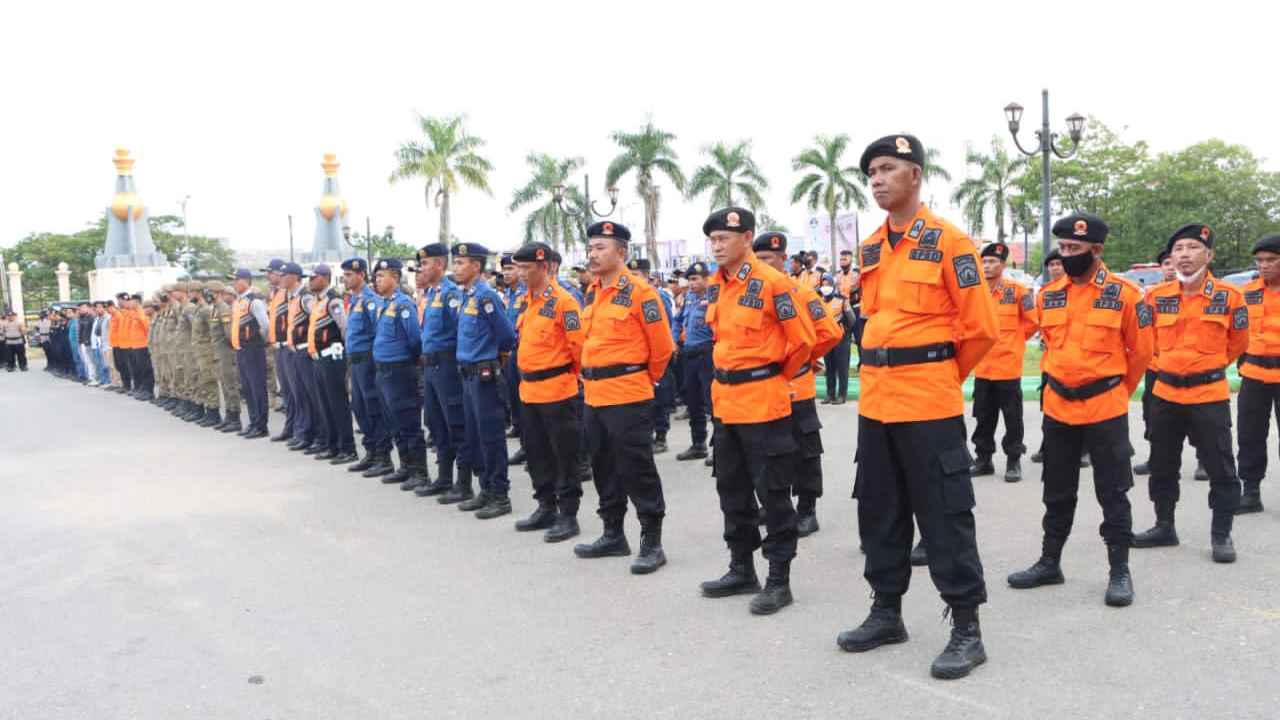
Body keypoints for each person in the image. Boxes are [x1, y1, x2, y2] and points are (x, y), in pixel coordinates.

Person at [836, 134, 997, 680]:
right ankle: (887, 612)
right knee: (879, 510)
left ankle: (967, 629)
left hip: (928, 400)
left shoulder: (951, 243)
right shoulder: (872, 247)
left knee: (945, 513)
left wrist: (937, 375)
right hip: (877, 402)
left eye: (887, 168)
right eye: (871, 173)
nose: (877, 179)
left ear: (915, 175)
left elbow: (980, 330)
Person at [1006, 213, 1151, 608]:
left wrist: (1116, 390)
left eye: (1075, 249)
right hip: (1058, 408)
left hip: (1105, 407)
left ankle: (1119, 570)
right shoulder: (1049, 294)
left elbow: (1141, 353)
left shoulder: (1125, 295)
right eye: (1064, 248)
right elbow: (1050, 347)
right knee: (1056, 491)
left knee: (1114, 492)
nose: (1066, 254)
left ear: (1097, 250)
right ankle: (1049, 562)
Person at [694, 213, 818, 615]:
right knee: (731, 489)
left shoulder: (772, 283)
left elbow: (803, 340)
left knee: (774, 494)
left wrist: (773, 375)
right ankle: (741, 567)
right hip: (726, 404)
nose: (716, 245)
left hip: (764, 403)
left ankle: (778, 579)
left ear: (747, 238)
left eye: (723, 238)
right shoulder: (718, 285)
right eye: (712, 238)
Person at [1134, 224, 1246, 564]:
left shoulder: (1230, 297)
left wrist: (1204, 367)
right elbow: (1145, 340)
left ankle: (1221, 534)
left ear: (1208, 255)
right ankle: (1164, 525)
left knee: (1221, 468)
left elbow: (1238, 343)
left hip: (1208, 395)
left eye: (1192, 248)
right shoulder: (1155, 297)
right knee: (1163, 465)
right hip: (1165, 394)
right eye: (1178, 249)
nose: (1183, 255)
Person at [574, 220, 674, 574]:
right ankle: (613, 532)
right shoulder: (593, 292)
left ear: (622, 252)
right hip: (595, 395)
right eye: (591, 248)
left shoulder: (640, 293)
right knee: (603, 465)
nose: (593, 254)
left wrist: (642, 380)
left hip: (628, 393)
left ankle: (652, 539)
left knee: (637, 467)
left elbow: (662, 348)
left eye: (601, 247)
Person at [752, 232, 842, 539]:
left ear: (784, 261)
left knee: (804, 450)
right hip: (762, 388)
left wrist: (803, 360)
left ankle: (807, 510)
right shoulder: (750, 296)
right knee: (767, 451)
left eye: (769, 259)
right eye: (758, 259)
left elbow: (829, 332)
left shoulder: (802, 294)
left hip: (796, 385)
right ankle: (773, 505)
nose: (763, 265)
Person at [511, 241, 586, 541]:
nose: (520, 274)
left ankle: (568, 514)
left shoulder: (564, 302)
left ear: (544, 267)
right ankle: (545, 506)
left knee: (564, 455)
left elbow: (578, 346)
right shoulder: (527, 300)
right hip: (529, 391)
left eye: (526, 269)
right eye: (518, 268)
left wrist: (573, 381)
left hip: (558, 390)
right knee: (537, 452)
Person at [451, 242, 517, 517]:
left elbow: (506, 337)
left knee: (491, 437)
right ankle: (486, 489)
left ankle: (500, 496)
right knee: (475, 435)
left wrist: (493, 361)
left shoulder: (486, 296)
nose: (455, 267)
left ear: (476, 267)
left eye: (461, 263)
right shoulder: (467, 295)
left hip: (484, 375)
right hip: (468, 374)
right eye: (455, 262)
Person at [969, 242, 1038, 482]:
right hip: (983, 367)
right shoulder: (975, 292)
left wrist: (1014, 343)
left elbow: (1032, 322)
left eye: (992, 262)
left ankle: (1013, 461)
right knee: (983, 418)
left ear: (1003, 264)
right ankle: (984, 459)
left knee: (1012, 418)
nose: (987, 266)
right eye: (984, 261)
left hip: (1008, 367)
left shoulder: (1019, 291)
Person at [412, 246, 469, 498]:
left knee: (455, 423)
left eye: (425, 263)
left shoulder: (450, 294)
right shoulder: (432, 294)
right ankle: (444, 477)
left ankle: (464, 483)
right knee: (436, 424)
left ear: (438, 264)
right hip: (431, 367)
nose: (421, 268)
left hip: (447, 366)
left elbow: (461, 331)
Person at [370, 258, 430, 487]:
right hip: (383, 371)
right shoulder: (385, 303)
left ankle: (419, 472)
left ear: (395, 278)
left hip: (399, 371)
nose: (377, 280)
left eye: (381, 276)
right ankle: (405, 466)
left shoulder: (404, 304)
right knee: (394, 421)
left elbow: (414, 338)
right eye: (376, 276)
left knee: (408, 422)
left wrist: (410, 363)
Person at [1134, 250, 1190, 476]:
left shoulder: (1193, 294)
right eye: (1165, 263)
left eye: (1172, 263)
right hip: (1157, 367)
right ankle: (1155, 458)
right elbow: (1143, 328)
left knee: (1196, 416)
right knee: (1153, 415)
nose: (1169, 267)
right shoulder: (1151, 295)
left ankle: (1205, 460)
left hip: (1189, 367)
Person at [1235, 233, 1280, 514]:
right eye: (1260, 260)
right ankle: (1250, 491)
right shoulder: (1247, 292)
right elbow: (1237, 332)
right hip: (1253, 374)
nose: (1264, 265)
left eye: (1272, 260)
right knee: (1249, 434)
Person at [341, 257, 394, 478]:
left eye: (349, 275)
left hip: (368, 360)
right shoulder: (355, 299)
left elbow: (377, 331)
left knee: (373, 408)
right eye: (344, 275)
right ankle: (371, 451)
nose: (345, 279)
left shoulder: (370, 300)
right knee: (360, 408)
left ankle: (383, 456)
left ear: (361, 275)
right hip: (355, 360)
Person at [306, 264, 357, 464]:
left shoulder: (333, 300)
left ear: (325, 278)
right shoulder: (319, 301)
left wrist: (344, 353)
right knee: (325, 403)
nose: (310, 280)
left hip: (332, 357)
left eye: (314, 277)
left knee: (337, 403)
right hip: (319, 357)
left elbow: (344, 328)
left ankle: (348, 447)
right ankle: (333, 445)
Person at [628, 257, 676, 454]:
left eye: (636, 275)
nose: (633, 278)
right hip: (640, 358)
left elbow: (664, 328)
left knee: (660, 397)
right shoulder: (630, 297)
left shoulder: (655, 296)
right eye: (630, 275)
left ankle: (661, 435)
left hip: (657, 356)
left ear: (647, 276)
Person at [675, 262, 714, 461]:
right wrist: (675, 340)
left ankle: (720, 449)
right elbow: (678, 320)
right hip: (689, 353)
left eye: (695, 279)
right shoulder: (688, 299)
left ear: (706, 279)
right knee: (693, 401)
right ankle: (698, 444)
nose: (691, 284)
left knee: (713, 402)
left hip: (708, 354)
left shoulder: (715, 298)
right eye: (689, 280)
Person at [230, 268, 270, 439]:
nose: (233, 283)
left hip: (253, 349)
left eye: (236, 280)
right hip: (241, 349)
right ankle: (253, 422)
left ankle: (261, 425)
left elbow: (265, 325)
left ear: (245, 281)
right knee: (247, 388)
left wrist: (259, 341)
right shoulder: (238, 302)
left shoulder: (255, 302)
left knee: (257, 387)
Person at [499, 253, 528, 465]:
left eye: (511, 268)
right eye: (505, 269)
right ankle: (525, 444)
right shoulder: (509, 293)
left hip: (524, 351)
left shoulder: (526, 292)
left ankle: (531, 447)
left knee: (527, 403)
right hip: (510, 353)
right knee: (516, 400)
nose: (507, 273)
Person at [209, 283, 242, 433]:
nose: (207, 295)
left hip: (226, 353)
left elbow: (229, 334)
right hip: (218, 353)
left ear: (218, 293)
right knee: (224, 385)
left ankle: (235, 418)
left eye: (210, 292)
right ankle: (229, 416)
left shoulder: (223, 309)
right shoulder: (215, 309)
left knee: (230, 385)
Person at [191, 282, 223, 427]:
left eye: (192, 291)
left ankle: (213, 412)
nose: (190, 294)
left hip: (207, 351)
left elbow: (213, 332)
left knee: (209, 381)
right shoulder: (198, 309)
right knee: (202, 380)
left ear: (198, 292)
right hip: (199, 350)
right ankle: (207, 410)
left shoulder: (205, 310)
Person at [821, 275, 855, 404]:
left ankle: (842, 395)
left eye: (828, 284)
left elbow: (852, 320)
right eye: (823, 284)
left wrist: (844, 326)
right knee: (829, 368)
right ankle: (830, 394)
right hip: (827, 339)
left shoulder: (842, 300)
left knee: (842, 367)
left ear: (833, 286)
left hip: (841, 338)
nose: (825, 287)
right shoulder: (819, 301)